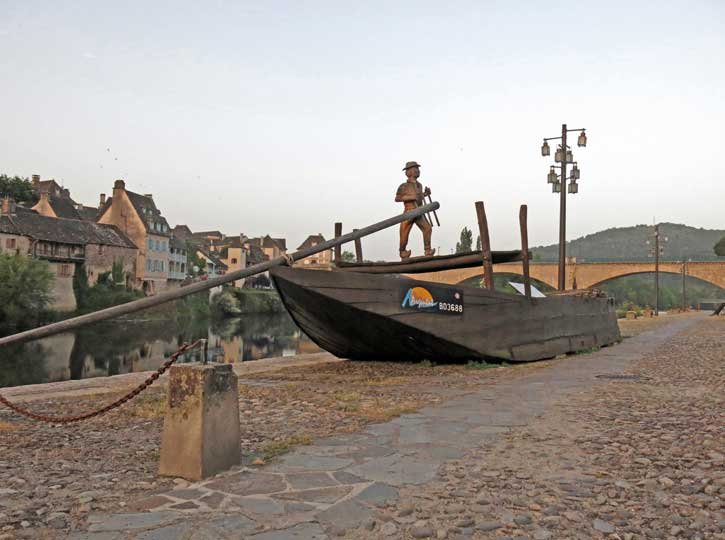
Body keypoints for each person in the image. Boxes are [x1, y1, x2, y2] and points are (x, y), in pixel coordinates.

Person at [395, 161, 434, 259]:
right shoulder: (404, 186)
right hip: (409, 212)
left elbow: (419, 197)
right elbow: (397, 198)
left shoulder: (419, 185)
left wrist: (425, 194)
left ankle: (427, 250)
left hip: (419, 211)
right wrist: (410, 197)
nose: (417, 171)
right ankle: (402, 251)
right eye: (415, 169)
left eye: (418, 169)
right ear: (408, 172)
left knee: (427, 228)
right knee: (404, 233)